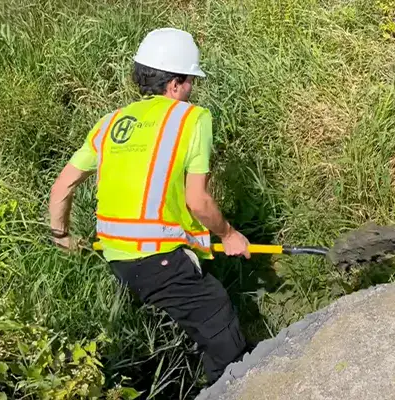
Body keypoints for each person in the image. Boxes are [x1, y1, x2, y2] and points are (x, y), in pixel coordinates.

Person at [47, 27, 252, 385]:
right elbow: (198, 200)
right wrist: (230, 235)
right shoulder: (192, 119)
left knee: (203, 313)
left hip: (119, 260)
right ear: (175, 84)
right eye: (190, 81)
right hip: (160, 258)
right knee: (223, 334)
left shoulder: (110, 123)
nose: (192, 89)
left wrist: (60, 235)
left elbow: (62, 186)